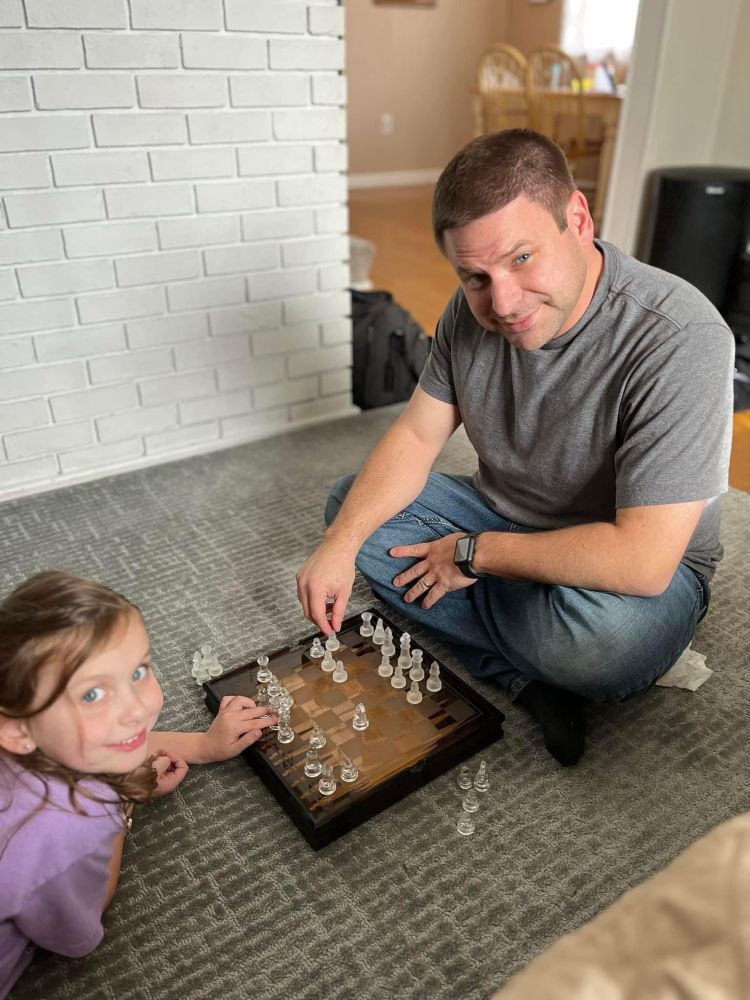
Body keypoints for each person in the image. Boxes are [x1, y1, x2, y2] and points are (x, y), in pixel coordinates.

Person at [297, 129, 734, 767]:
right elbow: (417, 434)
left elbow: (643, 561)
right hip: (506, 518)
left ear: (577, 219)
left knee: (602, 643)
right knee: (351, 513)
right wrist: (339, 545)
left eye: (522, 258)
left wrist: (474, 554)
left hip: (638, 568)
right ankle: (524, 676)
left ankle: (523, 645)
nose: (502, 303)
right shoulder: (467, 311)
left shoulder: (681, 336)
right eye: (475, 276)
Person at [0, 570, 276, 998]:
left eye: (138, 671)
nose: (136, 710)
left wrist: (202, 746)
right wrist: (122, 804)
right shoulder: (72, 820)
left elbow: (107, 741)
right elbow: (77, 932)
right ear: (17, 729)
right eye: (92, 695)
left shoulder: (23, 727)